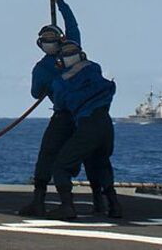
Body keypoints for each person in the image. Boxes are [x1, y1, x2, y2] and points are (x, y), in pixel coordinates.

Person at [16, 0, 79, 218]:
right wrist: (60, 1)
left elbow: (35, 94)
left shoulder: (41, 68)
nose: (49, 42)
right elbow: (73, 24)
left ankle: (42, 201)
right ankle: (106, 202)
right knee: (94, 157)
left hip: (65, 116)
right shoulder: (74, 48)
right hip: (89, 115)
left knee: (48, 155)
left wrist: (59, 1)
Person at [49, 38, 121, 221]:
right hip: (106, 124)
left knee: (61, 165)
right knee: (100, 162)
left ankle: (67, 207)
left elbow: (60, 106)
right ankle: (112, 205)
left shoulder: (61, 82)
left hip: (87, 124)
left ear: (60, 60)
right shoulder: (94, 69)